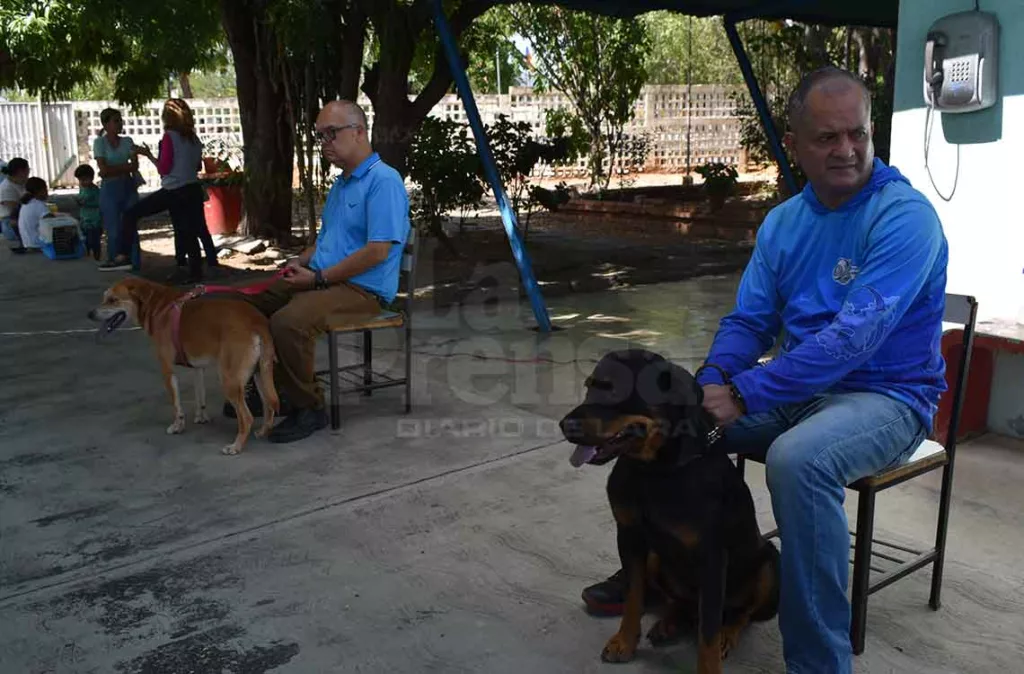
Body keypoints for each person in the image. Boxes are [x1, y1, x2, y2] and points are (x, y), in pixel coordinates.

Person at [580, 66, 949, 674]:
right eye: (827, 138)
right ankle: (653, 570)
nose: (846, 150)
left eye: (856, 133)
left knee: (798, 462)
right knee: (666, 427)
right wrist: (710, 382)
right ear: (796, 141)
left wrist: (746, 394)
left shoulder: (903, 217)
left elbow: (854, 340)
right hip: (798, 390)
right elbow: (749, 320)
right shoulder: (784, 222)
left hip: (886, 398)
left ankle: (818, 663)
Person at [223, 100, 410, 444]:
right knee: (245, 304)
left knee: (288, 322)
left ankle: (309, 407)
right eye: (319, 136)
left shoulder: (384, 182)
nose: (324, 143)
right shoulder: (342, 185)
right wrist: (302, 261)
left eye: (331, 134)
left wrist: (320, 278)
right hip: (324, 280)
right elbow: (326, 243)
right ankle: (263, 388)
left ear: (359, 132)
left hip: (361, 290)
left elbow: (377, 251)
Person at [102, 98, 217, 282]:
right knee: (189, 231)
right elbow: (196, 167)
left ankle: (122, 256)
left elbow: (164, 169)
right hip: (193, 188)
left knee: (131, 214)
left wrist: (148, 155)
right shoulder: (194, 138)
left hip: (174, 189)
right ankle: (195, 273)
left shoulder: (170, 136)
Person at [93, 108, 142, 270]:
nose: (119, 124)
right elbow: (103, 169)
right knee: (113, 228)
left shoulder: (127, 140)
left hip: (127, 185)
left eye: (120, 120)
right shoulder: (100, 142)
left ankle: (134, 263)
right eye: (115, 121)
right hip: (110, 187)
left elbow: (134, 165)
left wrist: (115, 168)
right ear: (105, 124)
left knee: (131, 225)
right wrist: (125, 167)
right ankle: (115, 260)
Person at [74, 164, 103, 260]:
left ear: (91, 178)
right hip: (84, 219)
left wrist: (85, 204)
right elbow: (81, 198)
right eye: (80, 180)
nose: (82, 182)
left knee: (94, 241)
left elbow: (99, 204)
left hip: (94, 221)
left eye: (85, 179)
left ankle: (96, 256)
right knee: (85, 240)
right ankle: (87, 255)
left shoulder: (95, 190)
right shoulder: (82, 188)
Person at [16, 177, 51, 251]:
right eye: (46, 189)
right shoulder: (39, 205)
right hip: (37, 243)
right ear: (41, 191)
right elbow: (50, 221)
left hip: (27, 243)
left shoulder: (26, 204)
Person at [0, 157, 29, 243]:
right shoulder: (6, 188)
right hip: (11, 223)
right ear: (20, 172)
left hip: (22, 218)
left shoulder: (22, 182)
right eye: (27, 170)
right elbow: (16, 211)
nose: (28, 172)